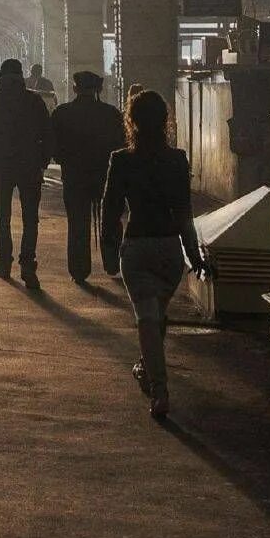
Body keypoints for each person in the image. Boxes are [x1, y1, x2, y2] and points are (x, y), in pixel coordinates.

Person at [102, 90, 208, 418]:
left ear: (131, 121)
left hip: (137, 249)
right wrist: (194, 254)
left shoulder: (121, 160)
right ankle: (149, 372)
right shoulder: (177, 160)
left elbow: (110, 210)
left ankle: (158, 388)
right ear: (166, 121)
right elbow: (184, 213)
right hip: (169, 252)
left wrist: (109, 247)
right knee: (154, 318)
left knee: (148, 320)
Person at [0, 58, 54, 287]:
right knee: (31, 218)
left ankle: (4, 264)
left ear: (0, 76)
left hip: (3, 166)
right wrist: (42, 163)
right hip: (30, 167)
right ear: (21, 76)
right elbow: (48, 134)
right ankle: (28, 267)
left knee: (3, 216)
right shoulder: (34, 101)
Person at [51, 71, 124, 283]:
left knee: (77, 223)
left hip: (74, 176)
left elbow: (54, 145)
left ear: (75, 89)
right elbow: (121, 144)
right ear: (98, 89)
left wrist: (63, 160)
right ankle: (112, 264)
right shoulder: (111, 114)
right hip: (105, 175)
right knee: (110, 219)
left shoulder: (62, 113)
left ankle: (79, 271)